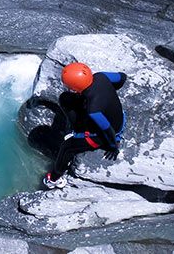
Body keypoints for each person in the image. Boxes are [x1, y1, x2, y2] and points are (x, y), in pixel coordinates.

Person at [43, 62, 127, 190]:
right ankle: (77, 129)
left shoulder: (93, 110)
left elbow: (108, 129)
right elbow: (122, 77)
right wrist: (108, 94)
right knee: (65, 98)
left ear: (75, 86)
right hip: (117, 116)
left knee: (66, 147)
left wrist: (113, 147)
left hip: (106, 133)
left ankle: (54, 178)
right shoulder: (101, 77)